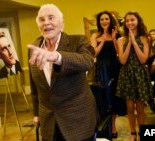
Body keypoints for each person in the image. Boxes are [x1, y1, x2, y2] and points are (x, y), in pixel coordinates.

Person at [28, 4, 97, 141]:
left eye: (51, 18)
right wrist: (36, 113)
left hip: (78, 120)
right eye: (42, 19)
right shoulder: (34, 47)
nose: (46, 22)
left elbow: (87, 61)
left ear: (62, 24)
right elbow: (35, 86)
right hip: (49, 122)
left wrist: (57, 56)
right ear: (39, 26)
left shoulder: (78, 41)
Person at [116, 11, 153, 141]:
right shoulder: (121, 40)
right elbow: (122, 60)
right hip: (127, 74)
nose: (130, 22)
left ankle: (142, 133)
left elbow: (143, 60)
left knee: (141, 108)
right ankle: (132, 133)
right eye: (127, 21)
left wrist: (134, 41)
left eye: (132, 20)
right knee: (130, 108)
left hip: (140, 74)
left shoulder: (145, 38)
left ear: (138, 21)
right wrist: (129, 43)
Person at [90, 11, 127, 139]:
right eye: (102, 19)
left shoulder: (116, 34)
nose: (104, 21)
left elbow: (119, 53)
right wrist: (104, 38)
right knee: (103, 98)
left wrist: (113, 36)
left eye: (106, 19)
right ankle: (103, 126)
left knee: (113, 97)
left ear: (110, 20)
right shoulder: (95, 35)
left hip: (114, 68)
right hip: (101, 68)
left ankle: (113, 126)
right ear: (99, 22)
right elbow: (94, 53)